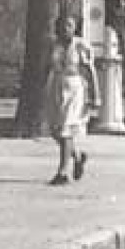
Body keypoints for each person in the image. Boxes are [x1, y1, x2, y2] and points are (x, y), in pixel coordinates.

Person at [44, 12, 97, 186]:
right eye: (62, 25)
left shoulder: (81, 46)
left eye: (69, 25)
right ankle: (77, 156)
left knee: (66, 128)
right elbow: (47, 67)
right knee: (55, 130)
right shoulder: (53, 45)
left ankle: (62, 172)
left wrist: (95, 95)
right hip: (56, 86)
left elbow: (90, 71)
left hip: (73, 87)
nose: (65, 29)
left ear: (75, 28)